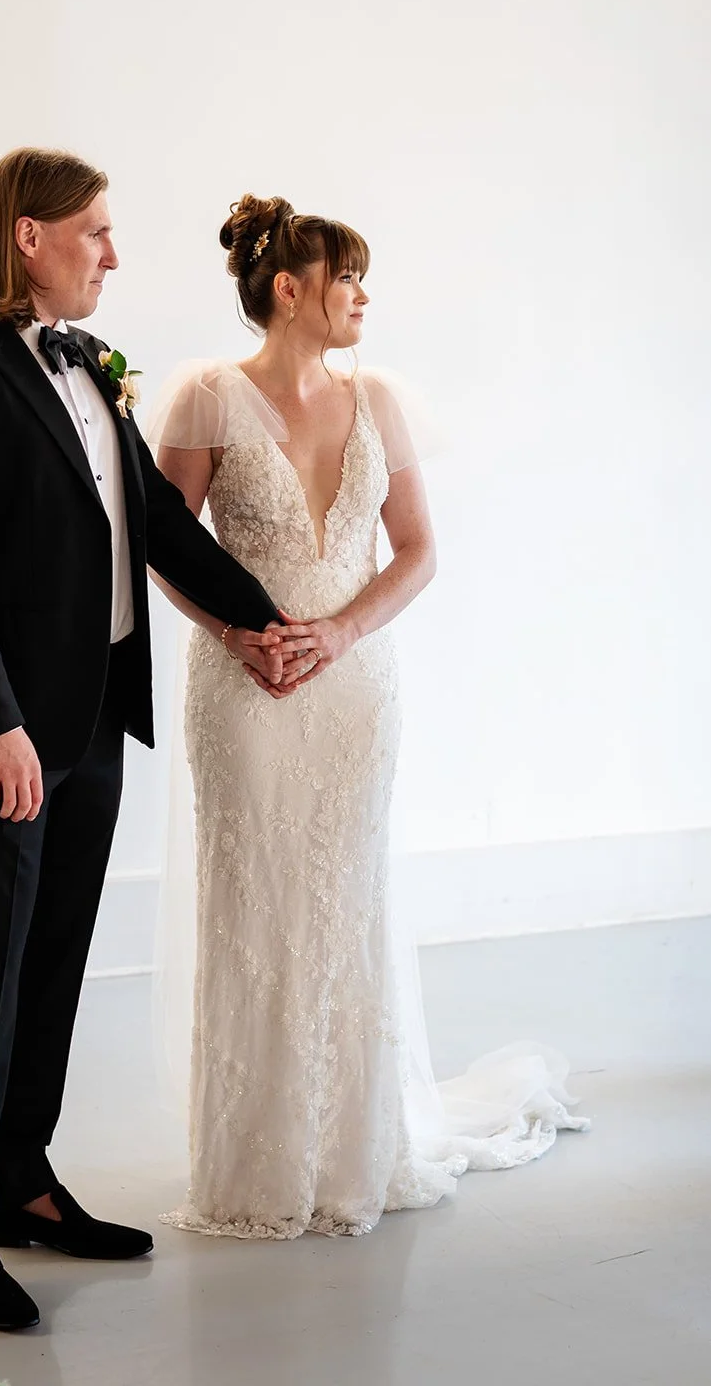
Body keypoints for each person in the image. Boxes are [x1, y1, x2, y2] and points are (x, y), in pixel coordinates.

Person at [0, 151, 287, 1329]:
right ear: (29, 235)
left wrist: (268, 618)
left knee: (52, 958)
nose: (113, 253)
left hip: (95, 713)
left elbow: (155, 520)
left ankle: (24, 1182)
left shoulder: (92, 365)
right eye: (95, 231)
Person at [149, 193, 588, 1240]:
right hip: (246, 688)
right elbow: (165, 545)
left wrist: (341, 633)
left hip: (353, 691)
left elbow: (419, 550)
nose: (362, 296)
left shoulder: (378, 398)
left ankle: (351, 1152)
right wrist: (240, 634)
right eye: (347, 277)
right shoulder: (207, 397)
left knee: (347, 903)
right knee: (254, 907)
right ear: (288, 289)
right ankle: (255, 1168)